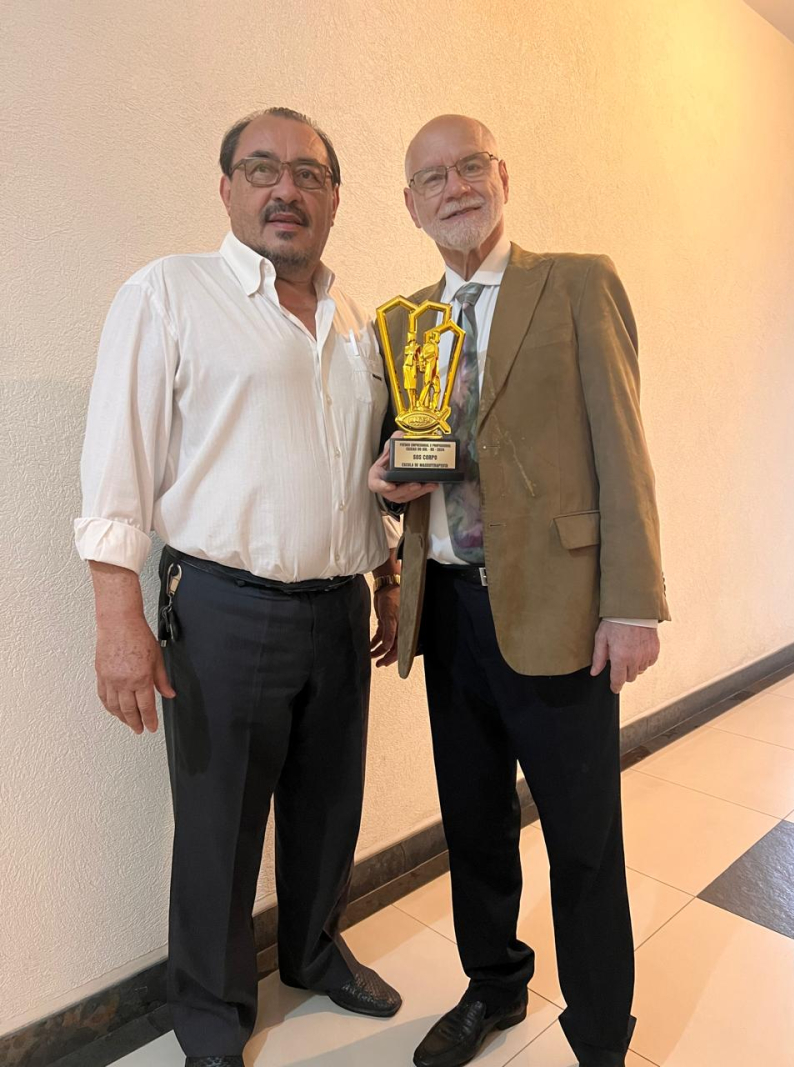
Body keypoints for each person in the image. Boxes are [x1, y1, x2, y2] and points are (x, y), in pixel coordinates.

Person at [75, 106, 402, 1067]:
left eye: (309, 174)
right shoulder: (167, 294)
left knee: (328, 807)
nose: (286, 190)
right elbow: (118, 463)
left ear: (334, 198)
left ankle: (311, 951)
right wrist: (116, 616)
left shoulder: (358, 322)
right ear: (227, 189)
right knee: (219, 828)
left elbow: (364, 471)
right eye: (262, 169)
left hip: (339, 608)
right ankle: (213, 1016)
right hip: (224, 609)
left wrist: (386, 576)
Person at [369, 114, 669, 1067]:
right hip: (450, 615)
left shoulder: (575, 283)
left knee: (583, 837)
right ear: (410, 205)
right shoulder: (406, 321)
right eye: (432, 178)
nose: (454, 187)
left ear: (502, 175)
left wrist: (632, 603)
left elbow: (622, 447)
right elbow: (411, 453)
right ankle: (494, 986)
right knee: (475, 825)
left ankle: (600, 1034)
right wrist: (385, 484)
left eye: (470, 167)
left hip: (561, 611)